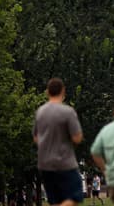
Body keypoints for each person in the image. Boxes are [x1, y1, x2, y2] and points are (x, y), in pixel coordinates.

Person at [34, 78, 85, 206]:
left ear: (47, 92)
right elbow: (77, 138)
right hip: (64, 162)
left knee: (55, 200)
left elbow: (36, 137)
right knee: (76, 195)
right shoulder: (67, 112)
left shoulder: (40, 112)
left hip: (45, 163)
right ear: (63, 91)